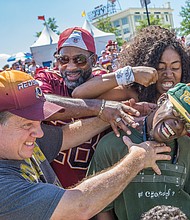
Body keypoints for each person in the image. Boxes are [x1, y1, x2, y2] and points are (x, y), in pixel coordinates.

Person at [0, 70, 171, 219]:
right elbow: (79, 206)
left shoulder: (18, 142)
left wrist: (116, 114)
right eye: (27, 124)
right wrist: (137, 159)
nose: (40, 133)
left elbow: (65, 135)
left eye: (39, 121)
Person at [35, 27, 158, 188]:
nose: (71, 67)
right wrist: (100, 108)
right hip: (55, 188)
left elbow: (133, 96)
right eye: (64, 59)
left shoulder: (101, 80)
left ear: (93, 60)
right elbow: (42, 106)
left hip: (99, 186)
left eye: (80, 60)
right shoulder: (48, 77)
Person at [87, 82, 190, 219]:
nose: (178, 125)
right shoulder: (113, 145)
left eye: (187, 124)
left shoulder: (187, 148)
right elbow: (99, 207)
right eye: (175, 112)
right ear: (162, 100)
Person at [72, 25, 190, 103]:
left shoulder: (186, 95)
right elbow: (79, 94)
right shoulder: (135, 94)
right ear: (147, 67)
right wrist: (130, 73)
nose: (168, 74)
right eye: (160, 68)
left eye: (175, 67)